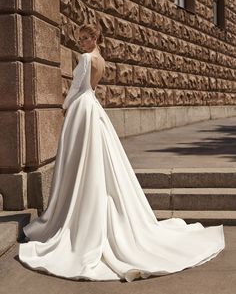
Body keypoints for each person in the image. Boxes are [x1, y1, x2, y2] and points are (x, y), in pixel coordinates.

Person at [18, 23, 225, 282]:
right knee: (92, 159)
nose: (81, 42)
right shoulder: (101, 59)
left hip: (83, 109)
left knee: (79, 160)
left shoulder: (85, 58)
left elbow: (76, 88)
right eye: (79, 38)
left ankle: (75, 217)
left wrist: (65, 106)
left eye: (85, 37)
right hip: (94, 109)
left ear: (95, 37)